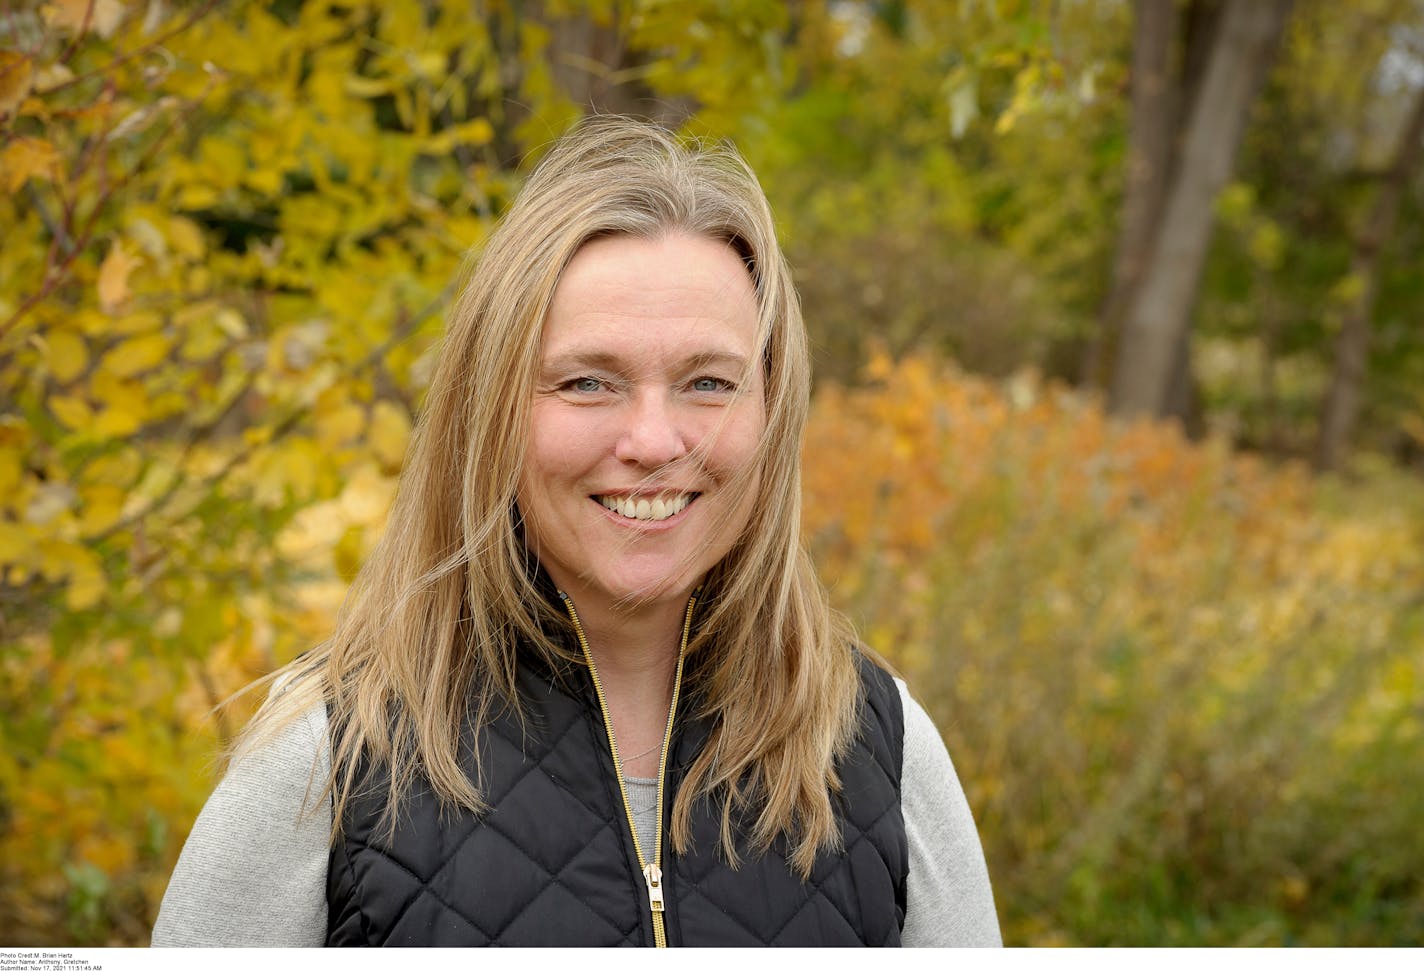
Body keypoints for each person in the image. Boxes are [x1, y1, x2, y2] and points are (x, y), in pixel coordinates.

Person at [151, 116, 1001, 947]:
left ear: (772, 415)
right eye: (588, 382)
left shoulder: (879, 750)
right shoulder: (330, 758)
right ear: (489, 415)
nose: (653, 443)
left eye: (709, 383)